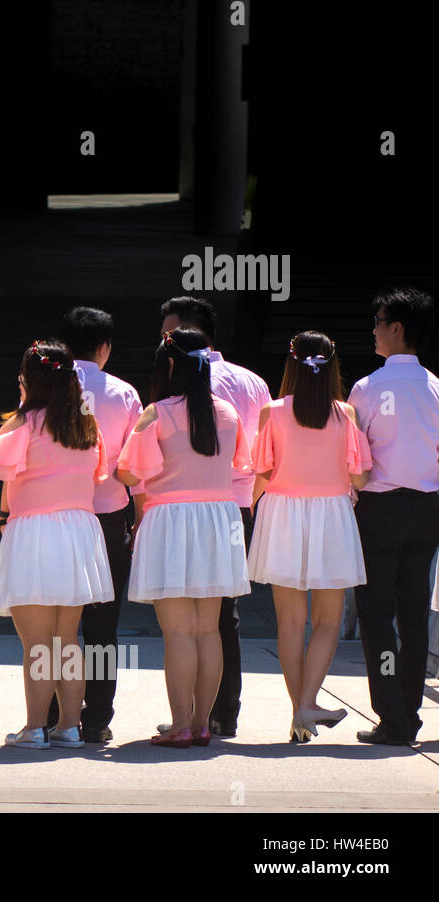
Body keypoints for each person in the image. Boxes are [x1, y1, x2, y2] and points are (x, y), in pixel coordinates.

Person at [116, 327, 252, 749]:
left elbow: (127, 471)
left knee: (177, 632)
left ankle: (180, 726)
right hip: (218, 518)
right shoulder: (228, 412)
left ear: (170, 365)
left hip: (169, 519)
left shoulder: (156, 413)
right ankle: (202, 723)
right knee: (209, 630)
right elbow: (241, 465)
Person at [0, 341, 113, 750]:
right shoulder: (85, 423)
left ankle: (35, 728)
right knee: (67, 638)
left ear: (30, 379)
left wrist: (23, 405)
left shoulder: (24, 423)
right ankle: (70, 727)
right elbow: (98, 473)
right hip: (78, 530)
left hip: (34, 531)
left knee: (36, 642)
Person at [248, 332, 372, 742]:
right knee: (326, 621)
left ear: (291, 364)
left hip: (281, 512)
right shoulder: (346, 414)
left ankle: (301, 711)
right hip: (331, 514)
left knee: (290, 620)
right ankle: (307, 704)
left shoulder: (272, 411)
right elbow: (361, 476)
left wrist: (251, 511)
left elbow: (261, 472)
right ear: (333, 365)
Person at [159, 296, 270, 737]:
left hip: (183, 508)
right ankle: (221, 715)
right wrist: (254, 501)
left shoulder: (180, 385)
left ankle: (186, 721)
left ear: (188, 332)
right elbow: (261, 456)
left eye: (168, 333)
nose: (161, 342)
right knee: (225, 617)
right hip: (234, 507)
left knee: (184, 623)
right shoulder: (252, 382)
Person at [45, 306, 144, 743]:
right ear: (105, 347)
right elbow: (133, 464)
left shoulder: (47, 386)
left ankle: (50, 714)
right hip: (105, 519)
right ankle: (97, 718)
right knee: (102, 626)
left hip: (54, 518)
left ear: (63, 344)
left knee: (52, 625)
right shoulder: (124, 393)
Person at [347, 287, 439, 746]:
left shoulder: (367, 388)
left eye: (379, 321)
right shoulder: (438, 389)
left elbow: (355, 458)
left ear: (397, 328)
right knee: (415, 615)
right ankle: (410, 711)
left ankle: (392, 715)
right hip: (427, 508)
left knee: (377, 615)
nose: (375, 329)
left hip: (380, 509)